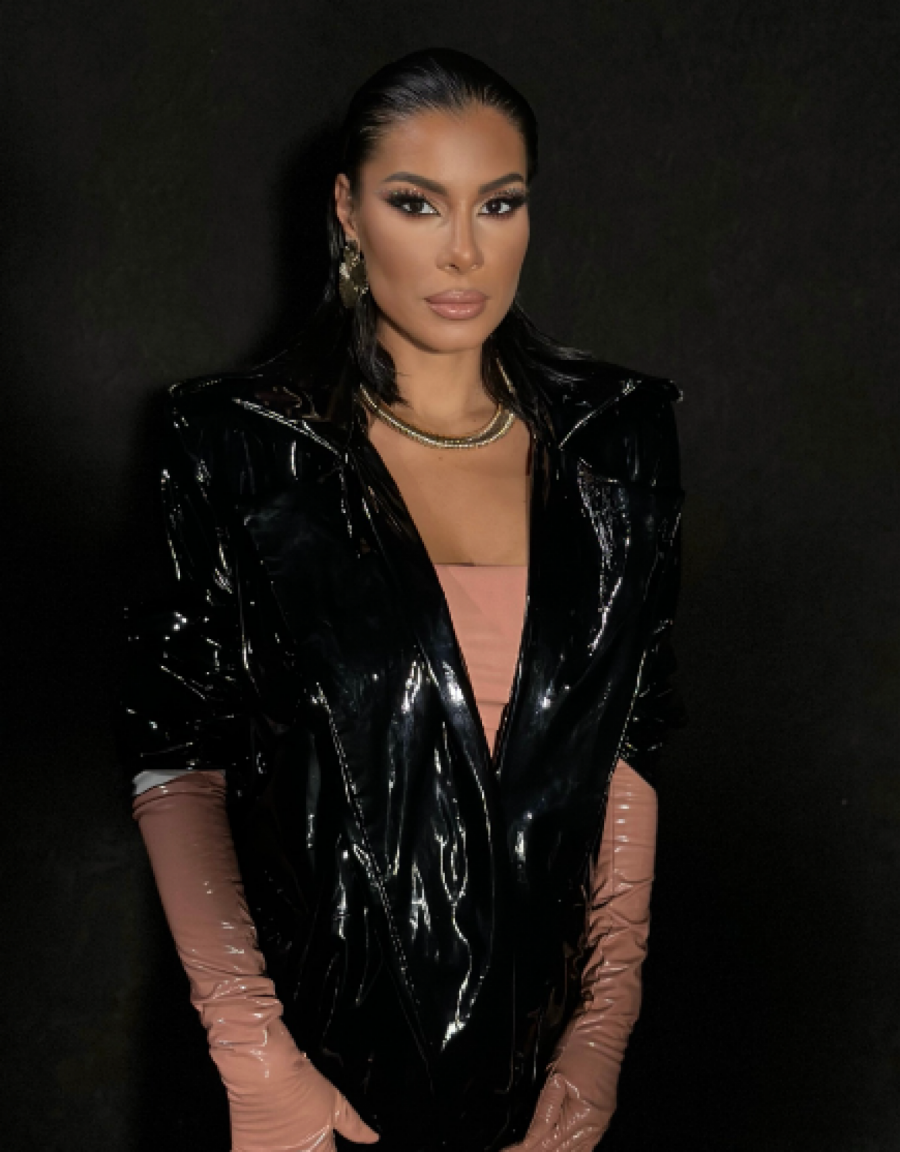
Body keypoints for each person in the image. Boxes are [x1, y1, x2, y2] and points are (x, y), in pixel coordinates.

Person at [118, 47, 685, 1152]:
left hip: (536, 1088)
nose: (464, 250)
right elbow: (176, 752)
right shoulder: (240, 446)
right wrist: (256, 1058)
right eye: (417, 204)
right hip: (317, 1071)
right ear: (348, 209)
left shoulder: (616, 442)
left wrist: (601, 1035)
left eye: (499, 204)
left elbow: (631, 738)